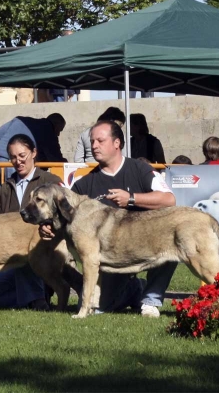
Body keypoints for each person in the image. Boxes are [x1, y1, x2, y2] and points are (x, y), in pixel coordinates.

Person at [40, 121, 177, 318]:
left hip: (147, 245)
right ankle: (134, 289)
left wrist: (131, 198)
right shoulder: (82, 184)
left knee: (169, 241)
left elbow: (169, 199)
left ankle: (150, 301)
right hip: (112, 260)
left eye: (100, 141)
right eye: (92, 141)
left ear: (116, 143)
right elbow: (63, 218)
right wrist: (48, 228)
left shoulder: (141, 169)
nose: (94, 146)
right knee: (100, 309)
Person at [0, 134, 63, 311]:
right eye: (13, 157)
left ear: (34, 153)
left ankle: (38, 301)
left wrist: (49, 226)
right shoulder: (6, 188)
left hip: (44, 253)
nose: (18, 161)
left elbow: (63, 213)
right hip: (10, 259)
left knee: (25, 253)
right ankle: (30, 297)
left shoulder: (50, 182)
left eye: (22, 155)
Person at [0, 113, 67, 203]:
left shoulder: (19, 120)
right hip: (11, 163)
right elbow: (55, 157)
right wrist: (68, 164)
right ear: (56, 125)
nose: (58, 134)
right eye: (60, 130)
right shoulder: (48, 129)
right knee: (15, 203)